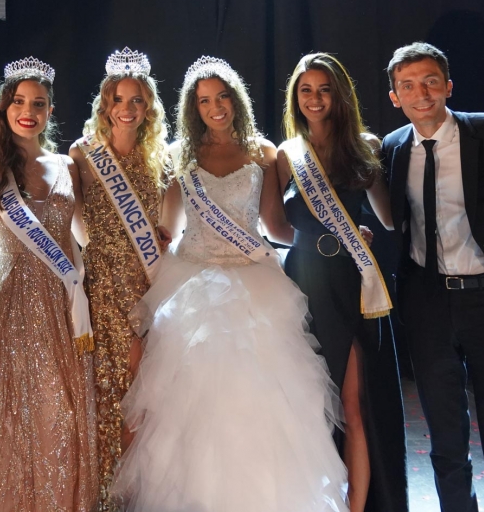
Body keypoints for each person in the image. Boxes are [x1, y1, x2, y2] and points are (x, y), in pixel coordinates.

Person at [114, 56, 348, 512]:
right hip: (193, 283)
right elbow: (169, 226)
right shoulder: (179, 155)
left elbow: (275, 226)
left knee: (256, 404)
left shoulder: (264, 152)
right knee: (192, 409)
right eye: (204, 101)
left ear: (236, 99)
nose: (215, 107)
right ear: (193, 108)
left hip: (253, 282)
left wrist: (334, 238)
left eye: (222, 96)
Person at [380, 42, 484, 512]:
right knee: (446, 439)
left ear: (448, 86)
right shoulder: (391, 149)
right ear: (394, 96)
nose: (421, 93)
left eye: (430, 81)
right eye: (408, 85)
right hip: (428, 304)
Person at [276, 52, 407, 512]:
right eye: (306, 90)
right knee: (307, 404)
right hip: (303, 284)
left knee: (352, 404)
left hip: (351, 284)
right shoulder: (287, 154)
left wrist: (357, 231)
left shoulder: (364, 144)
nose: (314, 98)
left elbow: (389, 218)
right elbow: (275, 228)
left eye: (324, 89)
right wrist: (330, 235)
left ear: (339, 95)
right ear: (296, 97)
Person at [0, 57, 97, 512]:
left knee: (62, 412)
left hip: (62, 301)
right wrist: (9, 243)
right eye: (19, 102)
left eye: (39, 103)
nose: (28, 111)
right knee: (16, 413)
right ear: (4, 108)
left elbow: (80, 233)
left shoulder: (67, 164)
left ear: (50, 110)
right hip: (11, 301)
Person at [68, 48, 170, 512]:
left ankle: (138, 492)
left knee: (140, 386)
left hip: (147, 285)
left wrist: (166, 237)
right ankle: (107, 492)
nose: (126, 109)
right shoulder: (82, 154)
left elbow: (168, 222)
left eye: (136, 100)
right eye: (118, 99)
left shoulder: (160, 159)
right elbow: (70, 220)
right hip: (102, 285)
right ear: (105, 104)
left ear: (148, 107)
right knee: (106, 386)